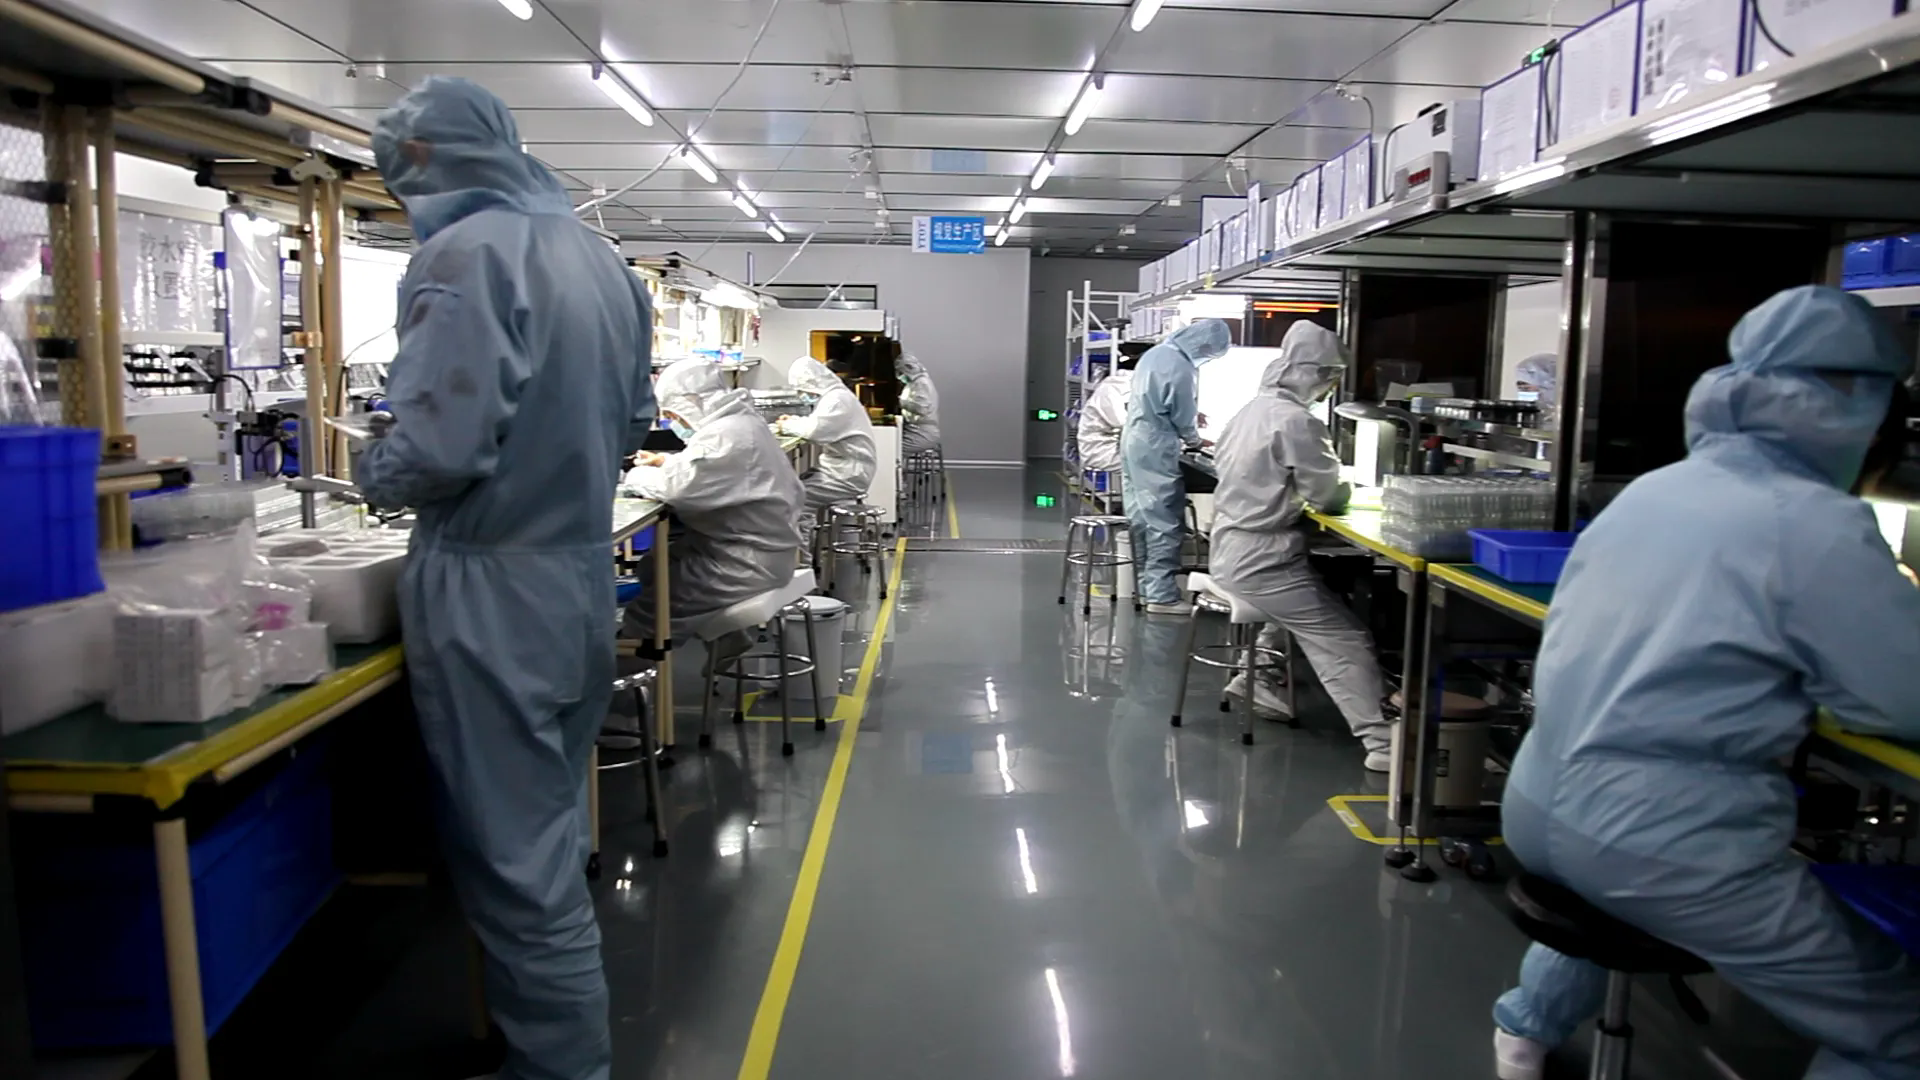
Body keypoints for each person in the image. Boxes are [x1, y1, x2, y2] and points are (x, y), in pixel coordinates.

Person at [1490, 286, 1920, 1080]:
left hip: (1538, 803)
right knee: (1899, 1028)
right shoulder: (1816, 521)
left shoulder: (1652, 490)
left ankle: (1524, 1033)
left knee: (1606, 879)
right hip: (1662, 842)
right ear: (1860, 415)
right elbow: (1899, 697)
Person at [357, 76, 654, 1080]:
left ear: (423, 158)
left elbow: (438, 449)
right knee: (546, 838)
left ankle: (562, 1070)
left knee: (518, 870)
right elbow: (632, 421)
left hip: (490, 594)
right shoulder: (602, 261)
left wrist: (372, 468)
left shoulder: (463, 255)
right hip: (575, 582)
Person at [1207, 322, 1392, 770]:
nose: (1329, 388)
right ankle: (1383, 744)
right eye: (1330, 378)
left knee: (1297, 611)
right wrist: (1350, 490)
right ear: (1314, 374)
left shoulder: (1250, 411)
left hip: (1231, 549)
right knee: (1346, 639)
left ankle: (1257, 678)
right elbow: (1327, 495)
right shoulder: (1297, 421)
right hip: (1263, 562)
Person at [622, 358, 804, 651]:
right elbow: (704, 469)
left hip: (743, 562)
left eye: (675, 415)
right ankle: (728, 637)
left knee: (648, 614)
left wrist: (634, 476)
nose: (675, 423)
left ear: (692, 402)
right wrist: (664, 461)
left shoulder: (726, 435)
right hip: (752, 549)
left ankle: (635, 672)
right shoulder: (739, 423)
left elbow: (679, 488)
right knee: (654, 566)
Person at [1121, 318, 1232, 614]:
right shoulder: (1181, 365)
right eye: (1210, 354)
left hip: (1135, 439)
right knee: (1164, 519)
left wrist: (1191, 415)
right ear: (1203, 346)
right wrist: (1195, 439)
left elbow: (1159, 400)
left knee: (1141, 516)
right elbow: (1181, 414)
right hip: (1155, 444)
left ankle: (1143, 587)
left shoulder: (1156, 354)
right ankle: (1161, 596)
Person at [775, 357, 877, 549]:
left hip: (847, 473)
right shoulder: (834, 397)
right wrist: (794, 420)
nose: (802, 395)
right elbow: (818, 423)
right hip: (841, 468)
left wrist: (787, 425)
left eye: (802, 390)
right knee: (795, 487)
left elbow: (816, 430)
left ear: (812, 383)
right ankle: (805, 552)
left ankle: (802, 561)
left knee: (796, 500)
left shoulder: (837, 400)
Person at [1075, 350, 1138, 477]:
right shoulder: (1113, 389)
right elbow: (1125, 423)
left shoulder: (1130, 386)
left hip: (1115, 446)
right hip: (1101, 452)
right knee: (1156, 467)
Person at [897, 347, 942, 454]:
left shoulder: (921, 383)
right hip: (917, 430)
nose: (900, 376)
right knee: (892, 447)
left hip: (922, 433)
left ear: (908, 369)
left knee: (892, 449)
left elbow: (921, 408)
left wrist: (899, 402)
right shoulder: (915, 383)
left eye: (900, 372)